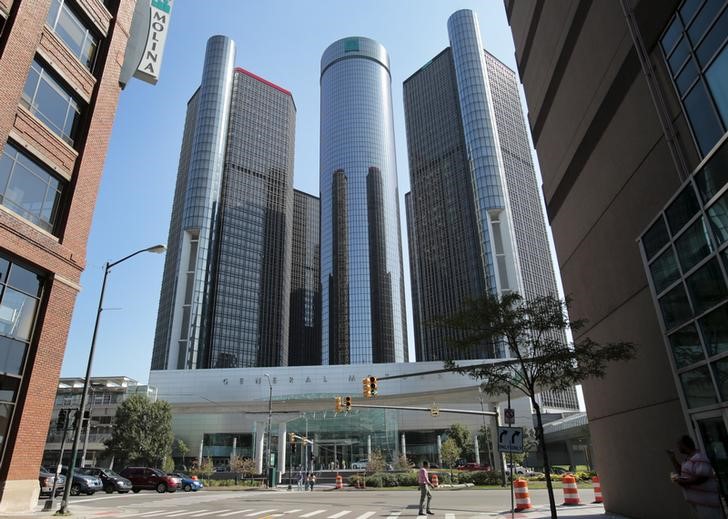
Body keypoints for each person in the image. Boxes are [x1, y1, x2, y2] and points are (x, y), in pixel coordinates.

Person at [668, 435, 723, 519]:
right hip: (698, 503)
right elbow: (682, 473)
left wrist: (682, 482)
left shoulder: (699, 457)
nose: (677, 447)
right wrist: (673, 459)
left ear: (684, 445)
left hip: (706, 504)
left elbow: (701, 478)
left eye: (679, 445)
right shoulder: (688, 459)